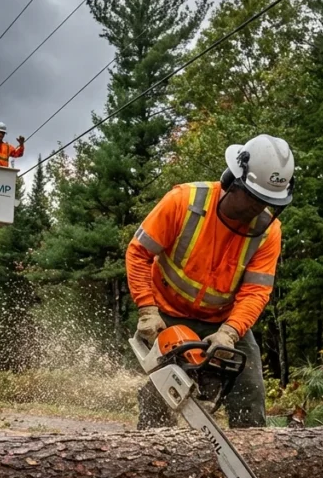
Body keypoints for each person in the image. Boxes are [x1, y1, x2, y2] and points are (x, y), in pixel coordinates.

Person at [126, 133, 294, 431]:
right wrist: (147, 309)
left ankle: (253, 456)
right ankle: (148, 456)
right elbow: (138, 253)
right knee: (159, 394)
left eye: (266, 202)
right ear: (233, 180)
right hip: (168, 312)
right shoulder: (184, 201)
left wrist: (230, 332)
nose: (257, 209)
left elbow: (256, 291)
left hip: (223, 321)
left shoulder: (269, 231)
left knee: (250, 389)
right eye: (254, 198)